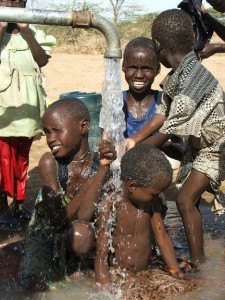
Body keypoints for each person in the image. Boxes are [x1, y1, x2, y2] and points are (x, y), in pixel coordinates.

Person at [142, 9, 225, 264]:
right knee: (190, 199)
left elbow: (168, 128)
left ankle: (199, 263)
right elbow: (162, 113)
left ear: (157, 45)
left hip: (217, 148)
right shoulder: (181, 71)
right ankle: (195, 250)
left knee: (184, 198)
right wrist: (135, 140)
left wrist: (135, 151)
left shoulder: (191, 81)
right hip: (199, 145)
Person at [19, 99, 117, 290]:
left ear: (83, 126)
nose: (50, 139)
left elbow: (84, 216)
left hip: (79, 236)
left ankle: (78, 270)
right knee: (32, 287)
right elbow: (57, 221)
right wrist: (93, 180)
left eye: (56, 130)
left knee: (81, 234)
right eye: (47, 132)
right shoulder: (50, 163)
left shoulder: (99, 165)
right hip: (46, 234)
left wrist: (103, 170)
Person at [95, 144, 184, 292]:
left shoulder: (150, 204)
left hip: (144, 273)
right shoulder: (111, 205)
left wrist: (176, 272)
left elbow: (162, 238)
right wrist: (105, 288)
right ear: (133, 186)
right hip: (118, 275)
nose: (158, 197)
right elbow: (101, 252)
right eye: (154, 194)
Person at [0, 0, 56, 224]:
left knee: (21, 158)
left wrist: (25, 29)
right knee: (3, 159)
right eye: (5, 0)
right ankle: (2, 204)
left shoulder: (34, 32)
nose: (11, 4)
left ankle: (19, 204)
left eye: (17, 0)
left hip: (27, 109)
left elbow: (42, 60)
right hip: (3, 109)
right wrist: (2, 26)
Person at [121, 37, 183, 169]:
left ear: (157, 70)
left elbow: (180, 152)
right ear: (123, 67)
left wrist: (162, 144)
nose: (139, 74)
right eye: (132, 67)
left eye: (146, 69)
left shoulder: (165, 102)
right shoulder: (115, 101)